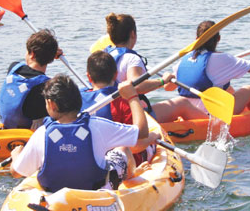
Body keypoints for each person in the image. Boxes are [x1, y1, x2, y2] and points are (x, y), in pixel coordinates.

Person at [9, 74, 159, 192]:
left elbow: (16, 172)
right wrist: (133, 97)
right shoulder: (97, 126)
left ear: (52, 104)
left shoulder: (41, 134)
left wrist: (17, 154)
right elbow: (142, 132)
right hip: (95, 191)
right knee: (123, 149)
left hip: (54, 194)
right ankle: (132, 176)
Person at [155, 20, 250, 121]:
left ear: (196, 39)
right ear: (218, 38)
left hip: (188, 113)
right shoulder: (223, 58)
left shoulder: (184, 60)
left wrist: (167, 77)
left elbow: (169, 88)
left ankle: (244, 115)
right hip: (210, 114)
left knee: (228, 89)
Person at [81, 50, 163, 165]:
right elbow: (136, 144)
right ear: (115, 75)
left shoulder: (77, 99)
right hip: (123, 162)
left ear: (89, 77)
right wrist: (153, 136)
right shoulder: (124, 101)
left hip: (91, 159)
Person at [0, 29, 62, 130]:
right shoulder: (47, 87)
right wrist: (50, 53)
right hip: (26, 132)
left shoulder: (14, 67)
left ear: (32, 54)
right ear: (51, 59)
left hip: (7, 127)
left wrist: (50, 52)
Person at [104, 13, 168, 98]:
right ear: (132, 34)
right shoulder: (132, 59)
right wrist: (162, 81)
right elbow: (137, 86)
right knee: (182, 104)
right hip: (126, 108)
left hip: (108, 103)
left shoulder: (105, 55)